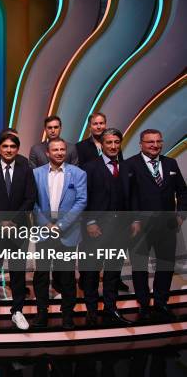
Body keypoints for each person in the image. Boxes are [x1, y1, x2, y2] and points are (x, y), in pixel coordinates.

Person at [123, 129, 186, 322]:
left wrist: (180, 216)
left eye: (158, 141)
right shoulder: (130, 165)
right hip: (139, 226)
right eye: (150, 142)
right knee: (140, 266)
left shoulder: (170, 163)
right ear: (141, 144)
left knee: (165, 265)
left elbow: (183, 192)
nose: (155, 145)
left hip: (167, 226)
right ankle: (143, 304)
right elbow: (126, 196)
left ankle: (160, 303)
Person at [0, 133, 36, 330]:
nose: (9, 150)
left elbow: (30, 198)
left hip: (18, 227)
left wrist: (11, 221)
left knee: (17, 270)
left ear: (17, 149)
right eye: (5, 146)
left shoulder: (25, 169)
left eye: (13, 146)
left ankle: (17, 311)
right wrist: (0, 222)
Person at [32, 137, 87, 329]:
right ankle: (41, 312)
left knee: (67, 276)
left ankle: (67, 315)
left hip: (67, 233)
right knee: (41, 275)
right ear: (47, 153)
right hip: (44, 232)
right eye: (55, 150)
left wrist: (61, 225)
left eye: (62, 149)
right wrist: (46, 224)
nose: (59, 153)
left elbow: (81, 201)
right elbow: (32, 202)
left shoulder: (78, 173)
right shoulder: (36, 173)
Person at [80, 128, 131, 326]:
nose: (113, 146)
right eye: (109, 142)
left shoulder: (127, 167)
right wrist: (90, 222)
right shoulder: (89, 167)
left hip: (120, 230)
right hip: (95, 230)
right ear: (101, 144)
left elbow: (132, 197)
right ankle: (92, 311)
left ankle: (111, 309)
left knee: (113, 272)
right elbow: (83, 198)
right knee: (91, 272)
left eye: (116, 142)